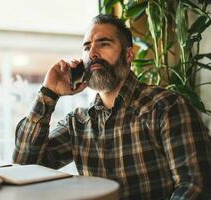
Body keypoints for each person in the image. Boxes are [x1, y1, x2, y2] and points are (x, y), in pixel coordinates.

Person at [12, 14, 211, 200]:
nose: (93, 53)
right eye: (87, 47)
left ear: (128, 55)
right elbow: (25, 166)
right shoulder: (78, 122)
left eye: (104, 44)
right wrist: (49, 93)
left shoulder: (165, 107)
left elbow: (195, 186)